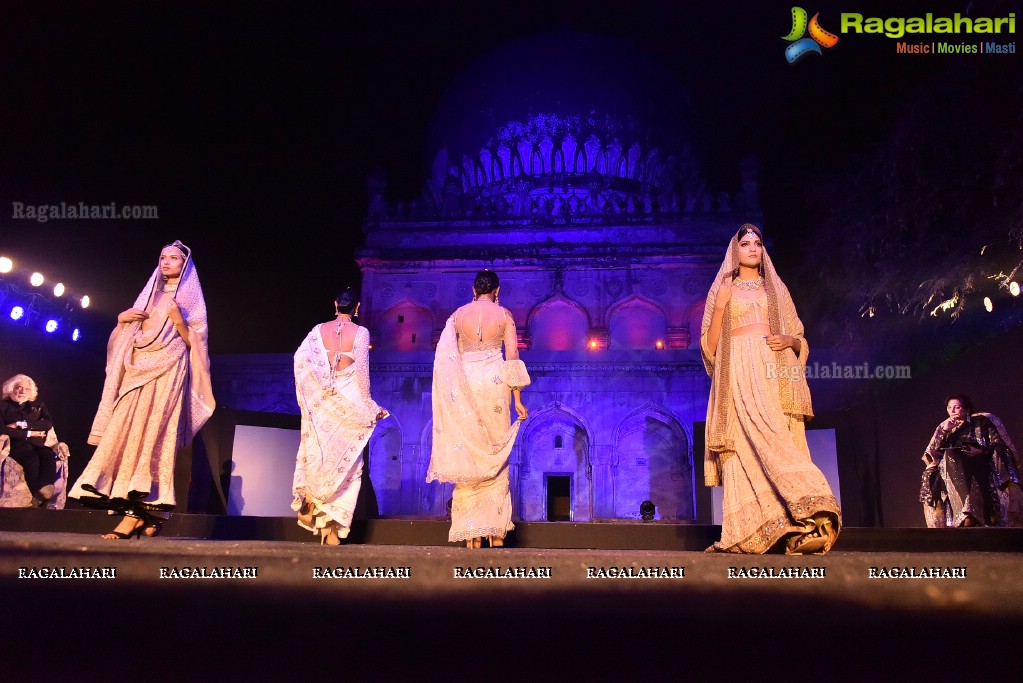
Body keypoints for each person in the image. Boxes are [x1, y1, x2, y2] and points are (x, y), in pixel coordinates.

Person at [701, 223, 841, 554]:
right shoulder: (721, 289)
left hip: (771, 369)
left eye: (758, 242)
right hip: (735, 371)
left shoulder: (776, 290)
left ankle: (813, 515)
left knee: (776, 439)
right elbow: (709, 346)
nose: (752, 248)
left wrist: (789, 340)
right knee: (742, 448)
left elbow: (799, 338)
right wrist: (721, 306)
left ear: (764, 250)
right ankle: (765, 531)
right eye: (745, 243)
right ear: (735, 251)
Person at [69, 240, 214, 539]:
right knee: (124, 431)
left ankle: (135, 513)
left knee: (154, 434)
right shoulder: (150, 295)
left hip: (168, 371)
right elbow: (132, 334)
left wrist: (179, 320)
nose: (166, 262)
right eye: (163, 257)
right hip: (137, 369)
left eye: (173, 258)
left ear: (184, 265)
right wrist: (122, 321)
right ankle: (151, 514)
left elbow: (197, 346)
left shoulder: (190, 301)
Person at [427, 270, 529, 548]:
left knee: (469, 450)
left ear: (474, 289)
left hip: (466, 384)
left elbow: (448, 358)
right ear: (497, 290)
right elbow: (512, 357)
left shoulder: (457, 316)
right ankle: (495, 531)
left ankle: (471, 531)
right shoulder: (505, 316)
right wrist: (517, 398)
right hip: (495, 383)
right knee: (494, 449)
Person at [291, 286, 387, 545]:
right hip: (350, 401)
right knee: (347, 466)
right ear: (357, 308)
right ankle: (332, 530)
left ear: (335, 304)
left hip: (323, 403)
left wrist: (315, 394)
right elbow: (362, 377)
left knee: (322, 459)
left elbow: (300, 362)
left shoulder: (316, 332)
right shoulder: (361, 333)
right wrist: (370, 407)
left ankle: (316, 508)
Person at [920, 394, 1021, 527]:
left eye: (957, 407)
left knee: (953, 457)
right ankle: (968, 515)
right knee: (949, 456)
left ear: (967, 409)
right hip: (950, 465)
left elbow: (998, 444)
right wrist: (944, 431)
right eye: (949, 407)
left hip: (980, 461)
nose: (952, 411)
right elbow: (932, 453)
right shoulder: (944, 427)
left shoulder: (981, 422)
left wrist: (979, 451)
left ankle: (970, 514)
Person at [1, 374, 58, 506]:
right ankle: (38, 494)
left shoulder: (37, 405)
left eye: (26, 389)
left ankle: (44, 489)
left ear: (30, 391)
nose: (22, 391)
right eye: (18, 387)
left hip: (36, 443)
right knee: (32, 459)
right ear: (11, 389)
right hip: (14, 444)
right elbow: (2, 429)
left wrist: (21, 425)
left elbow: (47, 424)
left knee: (48, 454)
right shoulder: (3, 406)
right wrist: (30, 433)